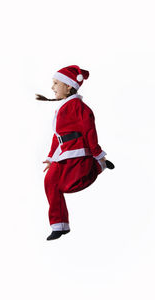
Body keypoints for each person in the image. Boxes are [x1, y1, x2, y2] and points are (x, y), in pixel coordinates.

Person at [35, 65, 114, 241]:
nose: (52, 87)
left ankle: (98, 166)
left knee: (74, 182)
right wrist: (50, 157)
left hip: (78, 153)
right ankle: (60, 225)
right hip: (64, 153)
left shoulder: (79, 107)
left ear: (69, 86)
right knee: (51, 183)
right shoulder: (63, 107)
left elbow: (90, 132)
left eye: (56, 83)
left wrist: (98, 154)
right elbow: (57, 137)